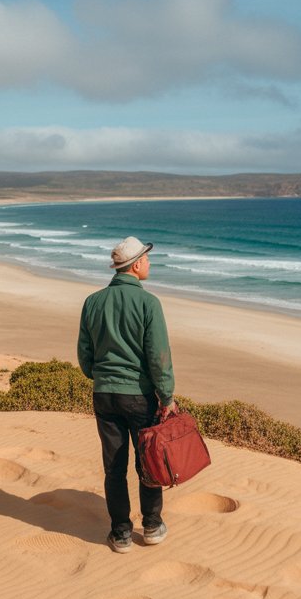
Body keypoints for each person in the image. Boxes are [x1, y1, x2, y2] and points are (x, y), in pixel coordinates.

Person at [78, 236, 178, 553]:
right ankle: (151, 525)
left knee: (114, 468)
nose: (150, 263)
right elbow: (159, 356)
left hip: (104, 395)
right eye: (147, 259)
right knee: (148, 463)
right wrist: (167, 396)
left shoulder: (93, 301)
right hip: (139, 396)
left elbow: (84, 354)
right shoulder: (149, 303)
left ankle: (121, 533)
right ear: (135, 265)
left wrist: (101, 376)